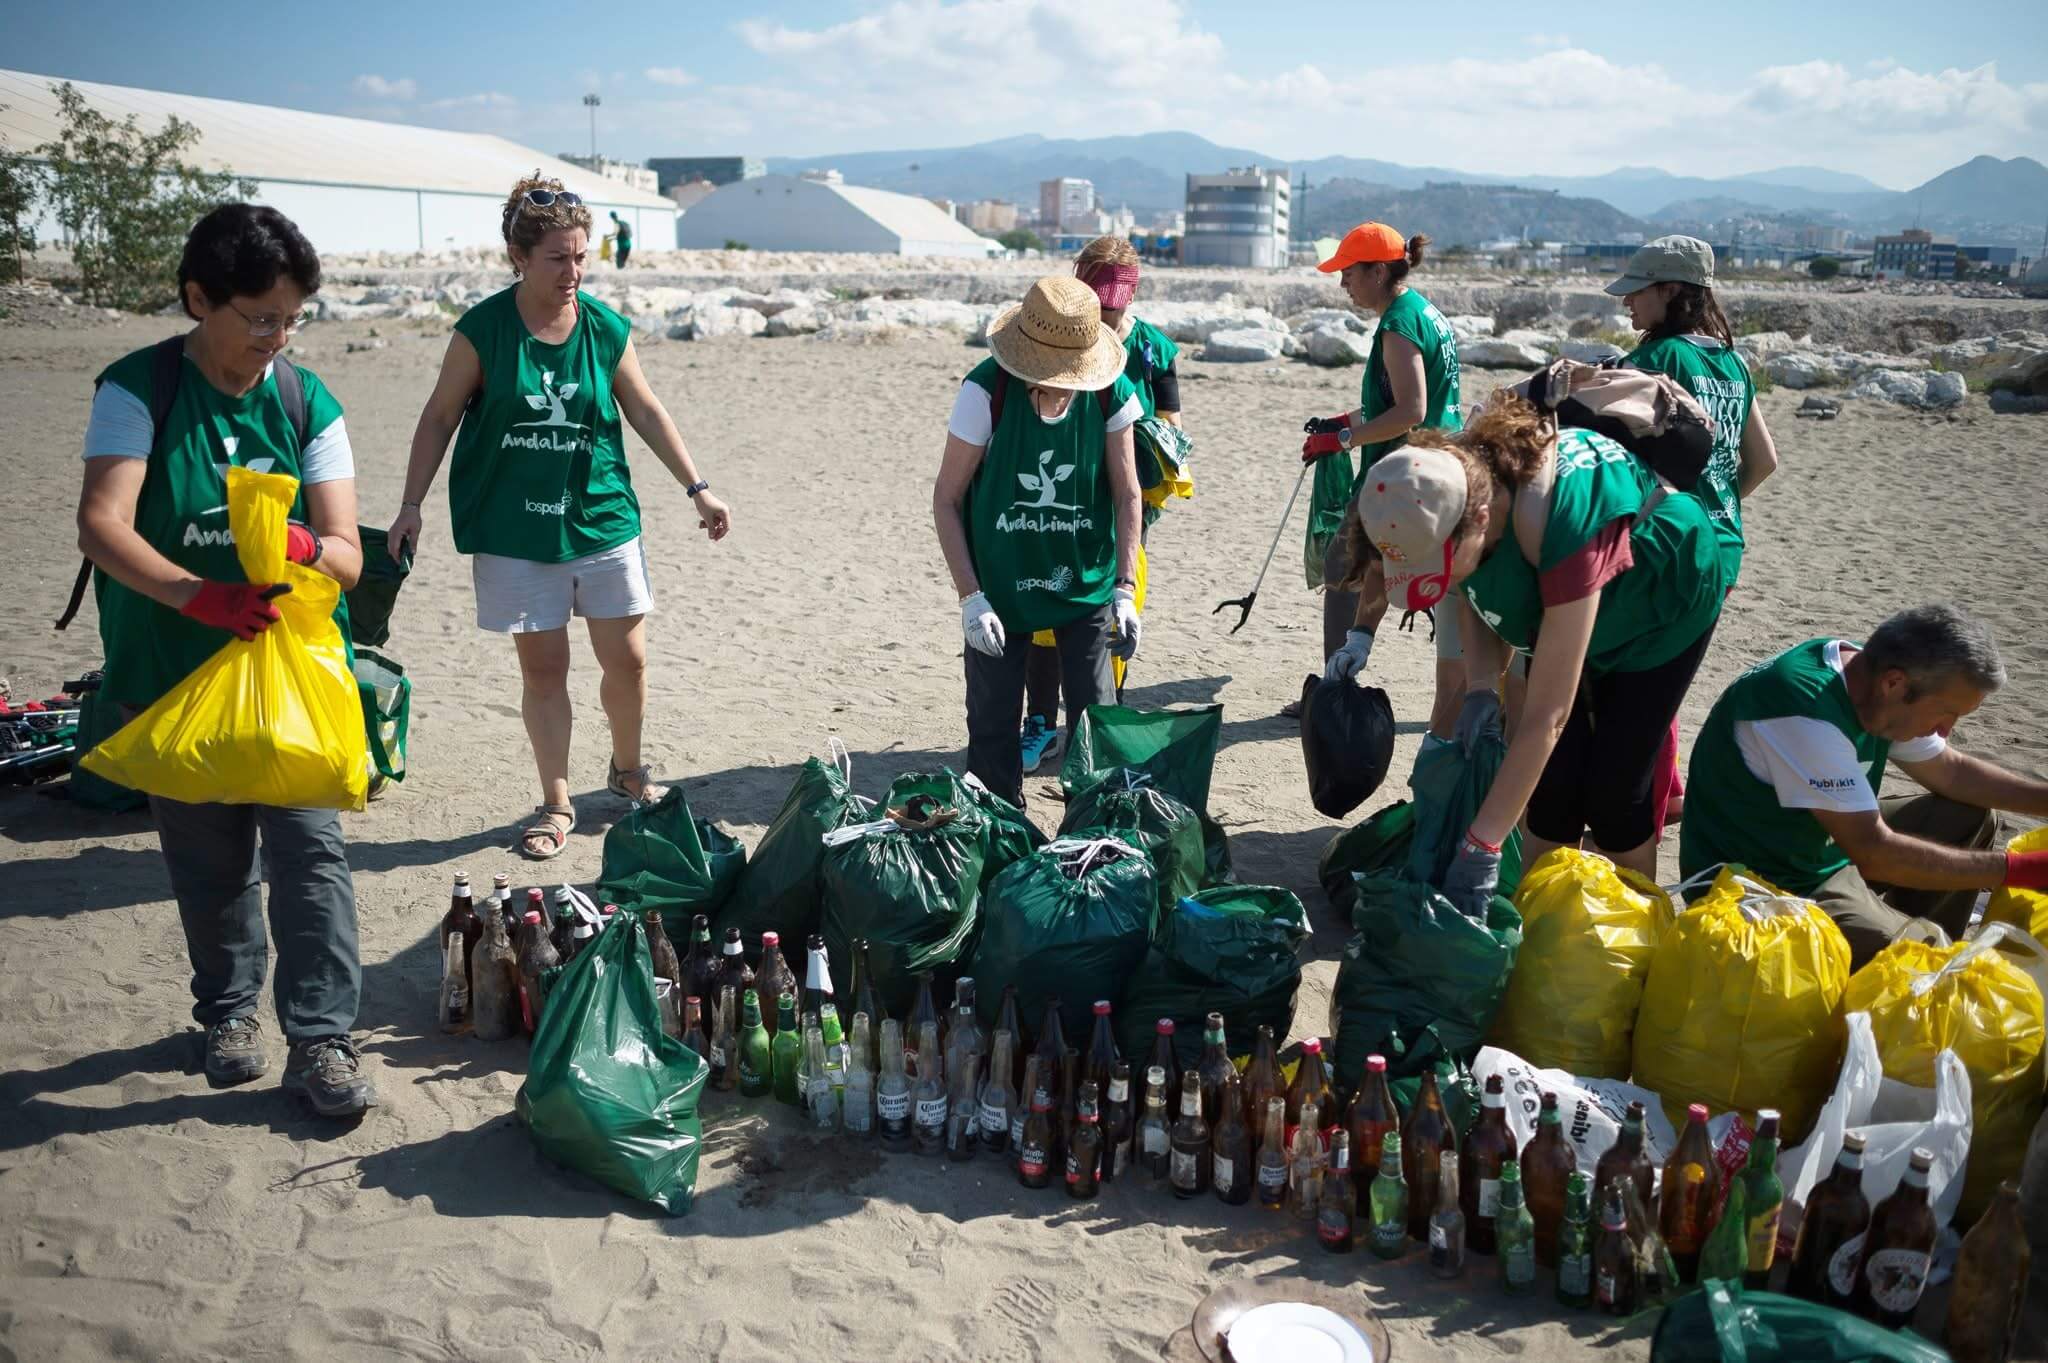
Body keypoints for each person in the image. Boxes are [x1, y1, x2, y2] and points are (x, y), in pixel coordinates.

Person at [73, 204, 375, 1117]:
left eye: (292, 319)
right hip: (174, 675)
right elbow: (101, 524)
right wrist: (197, 594)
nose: (277, 339)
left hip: (289, 683)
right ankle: (229, 1012)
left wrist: (306, 548)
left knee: (311, 854)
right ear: (199, 299)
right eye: (259, 319)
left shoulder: (304, 399)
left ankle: (321, 1037)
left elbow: (350, 551)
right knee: (209, 866)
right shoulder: (138, 389)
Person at [387, 172, 731, 860]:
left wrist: (698, 487)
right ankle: (556, 800)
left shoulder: (603, 328)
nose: (573, 271)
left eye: (581, 256)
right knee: (545, 670)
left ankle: (628, 772)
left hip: (601, 515)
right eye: (557, 258)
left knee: (627, 661)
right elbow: (439, 416)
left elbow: (644, 409)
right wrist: (410, 505)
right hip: (518, 531)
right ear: (519, 256)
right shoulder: (483, 331)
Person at [1351, 389, 1731, 913]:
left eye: (1435, 567)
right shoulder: (1452, 485)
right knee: (1552, 789)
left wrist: (1482, 845)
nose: (1433, 583)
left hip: (1663, 606)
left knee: (1618, 788)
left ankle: (1641, 934)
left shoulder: (1565, 517)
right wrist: (1483, 688)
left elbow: (1547, 716)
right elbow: (1474, 595)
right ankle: (1539, 929)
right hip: (1569, 602)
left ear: (1480, 522)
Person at [1680, 605, 2048, 967]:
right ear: (1894, 683)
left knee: (1968, 816)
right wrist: (2020, 870)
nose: (1945, 731)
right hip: (1764, 880)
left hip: (1818, 847)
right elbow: (1873, 853)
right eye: (1947, 714)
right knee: (1925, 959)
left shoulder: (1870, 680)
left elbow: (1951, 772)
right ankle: (1914, 956)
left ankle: (1906, 938)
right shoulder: (1803, 709)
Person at [933, 275, 1144, 806]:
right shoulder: (986, 391)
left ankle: (1090, 841)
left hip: (1087, 584)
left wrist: (1123, 586)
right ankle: (1001, 835)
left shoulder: (1111, 393)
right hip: (1000, 589)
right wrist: (970, 599)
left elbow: (1127, 495)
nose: (1063, 386)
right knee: (992, 731)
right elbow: (946, 499)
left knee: (1096, 724)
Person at [1612, 235, 1782, 828]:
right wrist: (1715, 507)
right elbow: (1763, 461)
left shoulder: (1657, 359)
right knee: (1671, 672)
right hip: (1722, 550)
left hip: (1663, 550)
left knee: (1638, 679)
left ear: (1672, 291)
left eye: (1637, 292)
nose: (1626, 303)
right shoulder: (1732, 364)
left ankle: (1643, 805)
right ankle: (1670, 789)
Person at [1019, 236, 1185, 772]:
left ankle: (1098, 725)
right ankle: (1041, 723)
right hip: (1059, 489)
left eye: (1118, 297)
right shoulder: (1065, 338)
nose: (1111, 309)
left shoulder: (1154, 349)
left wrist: (1140, 440)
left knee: (1116, 605)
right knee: (1048, 602)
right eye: (1100, 295)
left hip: (1125, 495)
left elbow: (1174, 426)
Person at [1300, 223, 1463, 733]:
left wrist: (1346, 441)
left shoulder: (1398, 325)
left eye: (1349, 273)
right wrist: (1344, 422)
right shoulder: (1422, 311)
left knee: (1341, 567)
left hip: (1405, 473)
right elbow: (1395, 403)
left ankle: (1335, 693)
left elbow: (1410, 410)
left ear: (1378, 270)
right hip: (1442, 464)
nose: (1343, 283)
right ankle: (1342, 676)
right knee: (1358, 568)